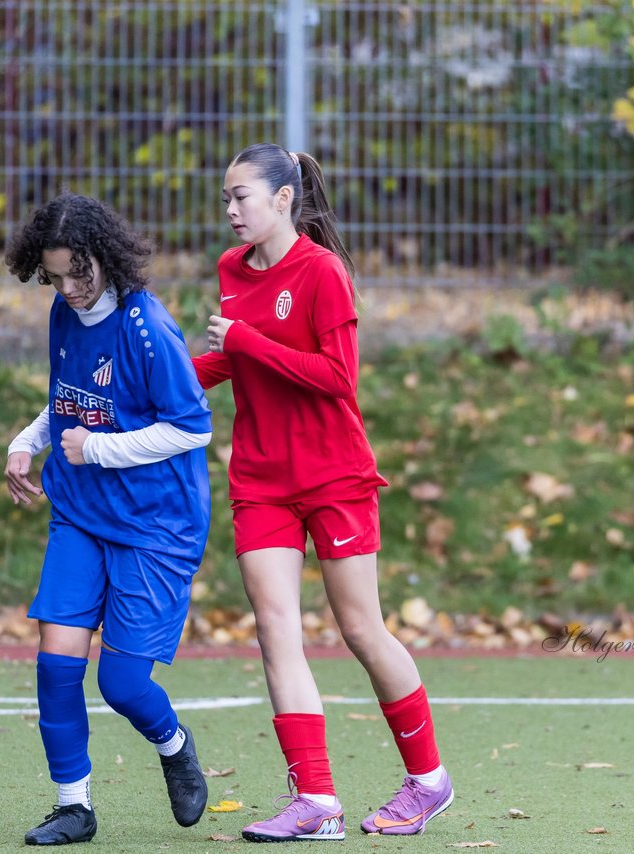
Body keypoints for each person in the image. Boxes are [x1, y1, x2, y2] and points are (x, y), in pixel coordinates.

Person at [192, 143, 454, 842]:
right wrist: (162, 381)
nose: (230, 211)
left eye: (241, 197)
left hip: (334, 475)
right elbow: (229, 357)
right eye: (226, 199)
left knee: (361, 629)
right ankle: (316, 801)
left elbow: (337, 376)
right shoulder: (230, 271)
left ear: (283, 199)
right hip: (261, 478)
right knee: (275, 627)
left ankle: (428, 781)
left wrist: (245, 341)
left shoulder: (323, 272)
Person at [3, 192, 212, 846]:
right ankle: (75, 806)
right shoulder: (63, 316)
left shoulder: (148, 327)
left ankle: (174, 744)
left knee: (121, 683)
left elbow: (192, 428)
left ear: (104, 257)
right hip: (81, 514)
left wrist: (100, 449)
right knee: (56, 661)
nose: (66, 288)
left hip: (155, 526)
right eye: (53, 276)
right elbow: (69, 403)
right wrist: (26, 440)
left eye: (77, 274)